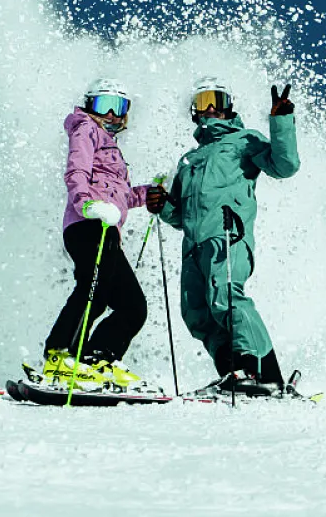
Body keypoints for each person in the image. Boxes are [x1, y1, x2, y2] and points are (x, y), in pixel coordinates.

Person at [147, 77, 299, 394]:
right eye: (204, 102)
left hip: (228, 234)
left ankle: (262, 373)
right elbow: (180, 215)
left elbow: (284, 166)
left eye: (218, 99)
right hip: (194, 246)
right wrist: (162, 206)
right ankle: (233, 373)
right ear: (194, 111)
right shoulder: (188, 161)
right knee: (197, 313)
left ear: (229, 106)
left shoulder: (244, 140)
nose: (212, 107)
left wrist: (280, 121)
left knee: (227, 298)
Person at [37, 78, 152, 390]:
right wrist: (87, 204)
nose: (113, 114)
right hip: (87, 223)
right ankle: (61, 355)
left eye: (121, 107)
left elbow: (122, 197)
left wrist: (148, 194)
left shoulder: (112, 147)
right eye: (105, 105)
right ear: (89, 105)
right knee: (94, 288)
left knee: (133, 306)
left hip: (107, 227)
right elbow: (77, 172)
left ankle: (96, 358)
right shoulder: (85, 128)